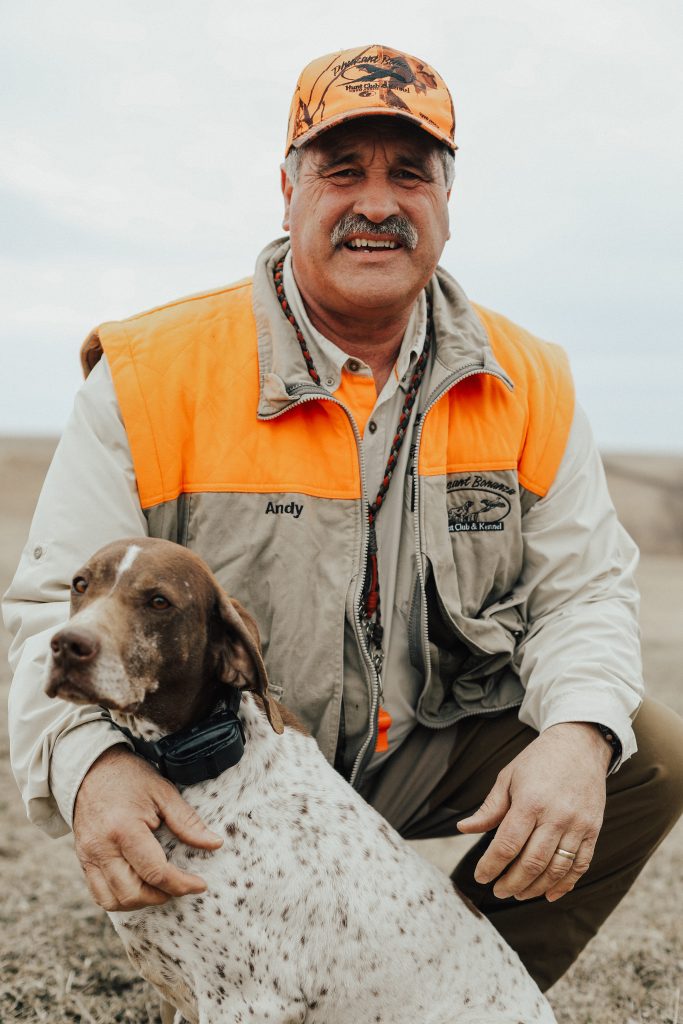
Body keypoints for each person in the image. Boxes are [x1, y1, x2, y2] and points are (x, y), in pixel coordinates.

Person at [4, 44, 683, 993]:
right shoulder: (151, 373)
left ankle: (443, 994)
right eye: (341, 170)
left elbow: (584, 592)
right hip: (224, 760)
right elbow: (50, 603)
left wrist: (573, 737)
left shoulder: (530, 380)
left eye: (410, 173)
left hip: (419, 752)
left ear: (446, 200)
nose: (376, 202)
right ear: (285, 191)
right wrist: (88, 764)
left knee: (641, 754)